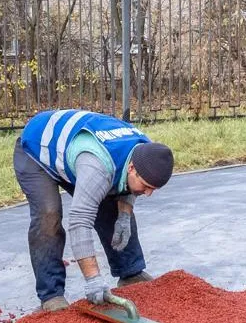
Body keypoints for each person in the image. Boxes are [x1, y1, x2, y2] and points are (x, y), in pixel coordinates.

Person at [13, 109, 173, 311]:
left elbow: (128, 184)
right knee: (48, 215)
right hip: (37, 150)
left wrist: (124, 215)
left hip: (77, 152)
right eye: (146, 186)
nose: (148, 193)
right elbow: (80, 221)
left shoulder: (145, 151)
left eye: (154, 189)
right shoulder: (98, 166)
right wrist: (93, 279)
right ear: (132, 167)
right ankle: (51, 294)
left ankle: (130, 272)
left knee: (115, 204)